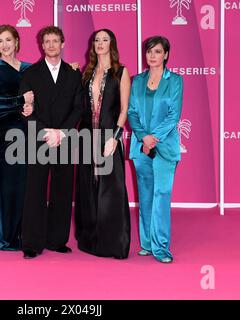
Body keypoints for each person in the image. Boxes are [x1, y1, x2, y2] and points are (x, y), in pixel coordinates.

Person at [19, 26, 83, 259]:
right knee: (34, 190)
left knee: (62, 190)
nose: (52, 45)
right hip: (40, 139)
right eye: (47, 41)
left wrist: (62, 133)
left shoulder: (74, 74)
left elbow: (78, 107)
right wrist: (47, 132)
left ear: (62, 44)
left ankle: (57, 240)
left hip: (65, 141)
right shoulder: (31, 73)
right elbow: (26, 108)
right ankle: (32, 243)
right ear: (42, 45)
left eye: (56, 41)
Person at [75, 29, 131, 259]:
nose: (100, 43)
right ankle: (90, 240)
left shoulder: (121, 72)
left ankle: (114, 243)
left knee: (111, 190)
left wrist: (115, 138)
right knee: (88, 188)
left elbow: (124, 109)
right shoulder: (85, 73)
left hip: (109, 138)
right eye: (97, 40)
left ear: (112, 44)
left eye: (104, 40)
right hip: (87, 137)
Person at [128, 35, 183, 263]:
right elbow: (131, 111)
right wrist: (143, 137)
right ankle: (148, 244)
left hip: (165, 146)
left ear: (166, 55)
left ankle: (161, 247)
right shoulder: (137, 80)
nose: (152, 55)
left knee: (161, 194)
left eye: (158, 51)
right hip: (141, 147)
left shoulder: (175, 81)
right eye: (149, 51)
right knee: (146, 195)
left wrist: (154, 138)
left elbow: (174, 115)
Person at [0, 25, 34, 251]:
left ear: (16, 42)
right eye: (0, 41)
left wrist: (31, 107)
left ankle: (24, 234)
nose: (4, 45)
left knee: (23, 182)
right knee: (4, 183)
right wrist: (21, 100)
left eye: (8, 40)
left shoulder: (29, 68)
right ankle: (6, 239)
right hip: (2, 130)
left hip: (24, 129)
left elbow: (37, 98)